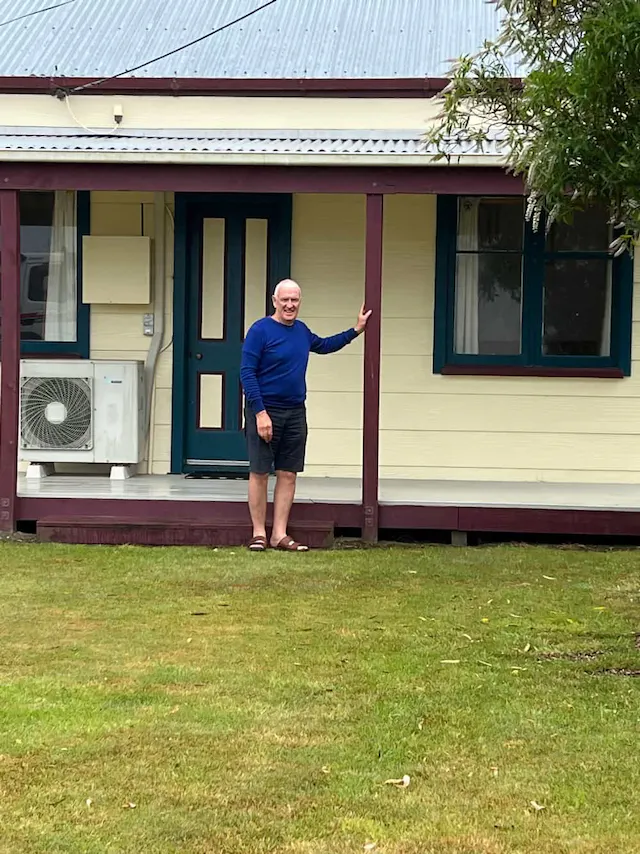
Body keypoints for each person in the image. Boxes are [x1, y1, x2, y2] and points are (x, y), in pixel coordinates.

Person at [240, 279, 371, 552]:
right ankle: (258, 534)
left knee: (288, 473)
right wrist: (260, 413)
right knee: (260, 472)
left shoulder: (301, 331)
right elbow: (247, 373)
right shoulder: (260, 331)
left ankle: (279, 534)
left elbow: (324, 345)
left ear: (300, 302)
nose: (290, 305)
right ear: (274, 300)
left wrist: (356, 330)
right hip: (264, 410)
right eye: (285, 300)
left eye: (295, 300)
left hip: (295, 412)